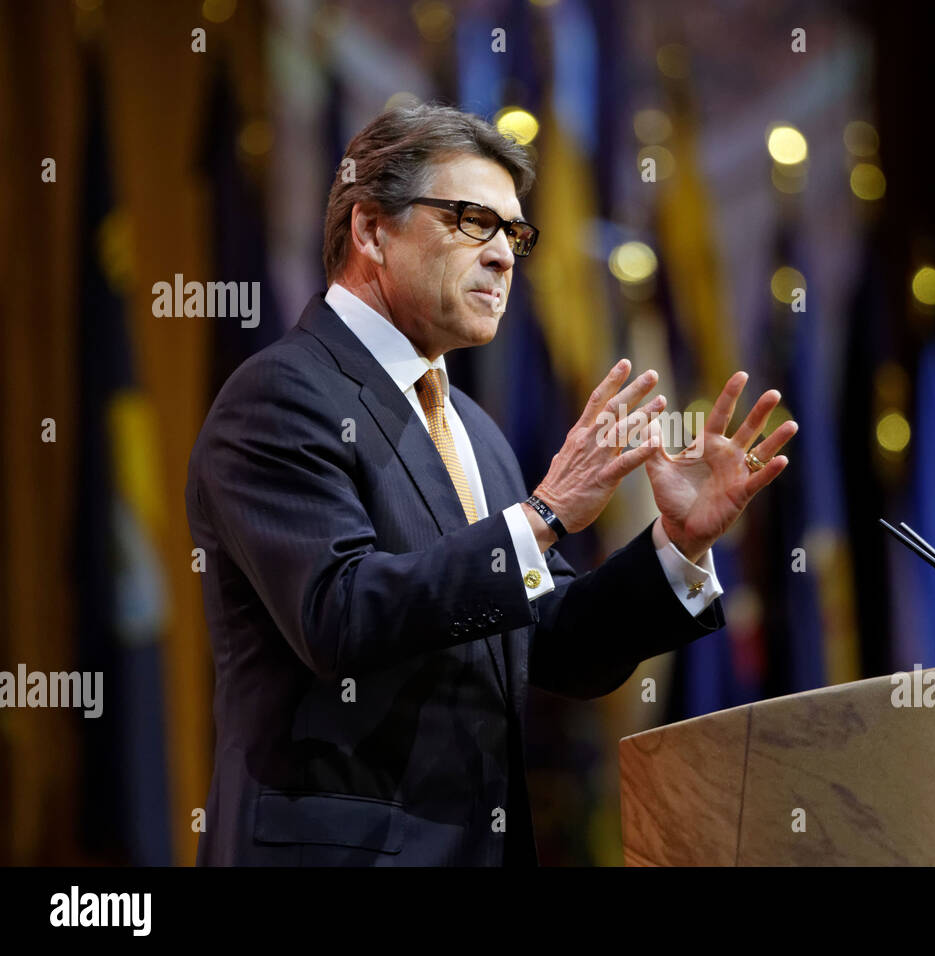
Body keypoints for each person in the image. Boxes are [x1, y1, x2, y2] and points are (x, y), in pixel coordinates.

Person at [185, 103, 797, 865]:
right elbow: (338, 616)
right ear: (372, 230)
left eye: (515, 232)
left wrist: (677, 544)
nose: (505, 256)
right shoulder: (280, 397)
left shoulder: (471, 427)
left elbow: (555, 649)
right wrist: (543, 514)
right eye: (473, 220)